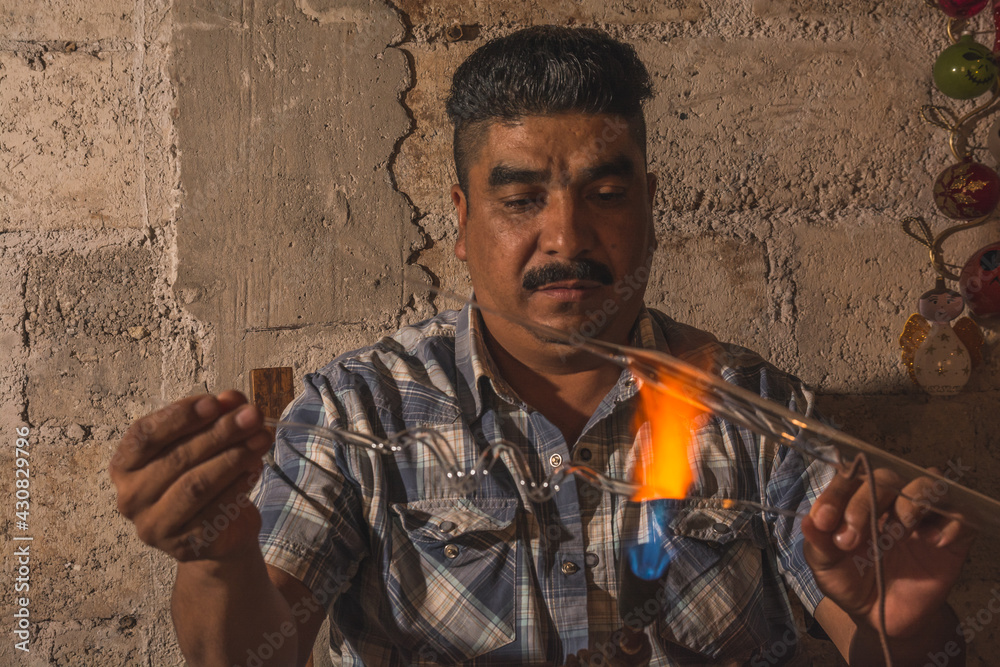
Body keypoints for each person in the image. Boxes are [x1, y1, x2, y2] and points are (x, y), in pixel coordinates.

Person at [109, 26, 974, 666]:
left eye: (604, 191)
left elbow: (879, 635)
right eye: (521, 199)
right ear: (459, 218)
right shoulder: (357, 412)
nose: (566, 236)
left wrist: (902, 617)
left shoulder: (756, 408)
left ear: (649, 201)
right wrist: (217, 556)